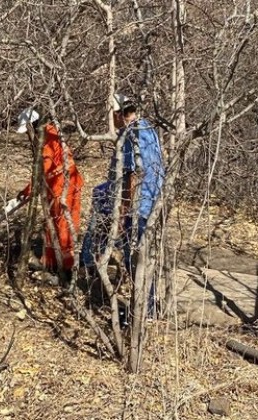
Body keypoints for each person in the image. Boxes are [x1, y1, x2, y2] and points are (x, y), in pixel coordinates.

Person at [102, 94, 165, 314]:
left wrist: (121, 215)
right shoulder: (148, 128)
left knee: (134, 258)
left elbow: (132, 177)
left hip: (139, 206)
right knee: (143, 257)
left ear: (119, 114)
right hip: (153, 203)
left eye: (113, 115)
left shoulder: (132, 135)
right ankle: (148, 306)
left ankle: (145, 310)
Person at [10, 108, 84, 285]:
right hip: (58, 188)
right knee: (53, 228)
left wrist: (27, 192)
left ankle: (65, 272)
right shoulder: (50, 132)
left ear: (32, 125)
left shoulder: (47, 140)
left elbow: (42, 172)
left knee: (63, 229)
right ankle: (51, 263)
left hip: (64, 189)